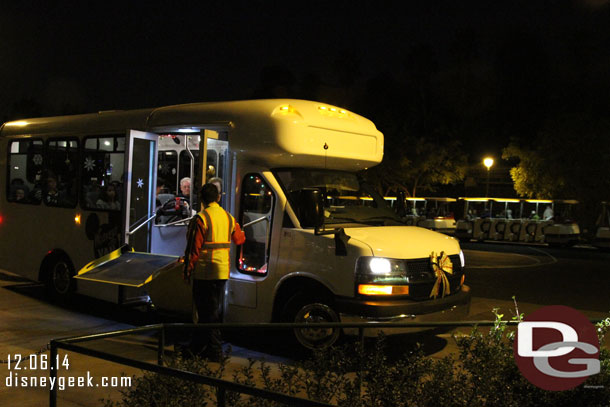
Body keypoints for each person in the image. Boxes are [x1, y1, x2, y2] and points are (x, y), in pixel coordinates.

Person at [183, 183, 246, 359]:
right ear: (218, 198)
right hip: (222, 271)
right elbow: (239, 239)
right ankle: (198, 347)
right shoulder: (228, 218)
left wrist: (187, 271)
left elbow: (193, 250)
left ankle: (213, 351)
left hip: (204, 272)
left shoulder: (201, 219)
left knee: (206, 313)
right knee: (211, 311)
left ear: (202, 200)